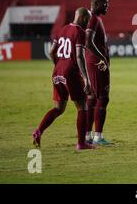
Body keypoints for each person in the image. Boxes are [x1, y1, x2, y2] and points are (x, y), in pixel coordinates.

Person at [32, 8, 95, 150]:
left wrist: (58, 65)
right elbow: (79, 56)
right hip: (70, 73)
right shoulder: (79, 32)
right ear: (84, 18)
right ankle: (81, 143)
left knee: (58, 108)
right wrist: (86, 79)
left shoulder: (62, 29)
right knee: (82, 106)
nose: (88, 23)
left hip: (57, 72)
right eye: (88, 20)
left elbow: (51, 51)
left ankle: (38, 131)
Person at [85, 0, 112, 146]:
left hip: (93, 63)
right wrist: (102, 58)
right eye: (105, 2)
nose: (107, 5)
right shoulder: (93, 19)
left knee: (93, 98)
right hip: (97, 64)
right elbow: (88, 42)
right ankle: (98, 136)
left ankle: (88, 135)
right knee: (102, 98)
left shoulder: (95, 18)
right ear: (96, 3)